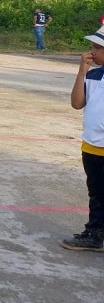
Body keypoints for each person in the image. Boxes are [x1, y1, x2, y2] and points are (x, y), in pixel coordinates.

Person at [61, 25, 104, 252]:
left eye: (98, 48)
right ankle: (95, 234)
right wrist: (82, 72)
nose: (92, 52)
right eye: (92, 47)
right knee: (96, 193)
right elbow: (77, 103)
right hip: (92, 146)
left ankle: (96, 234)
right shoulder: (94, 75)